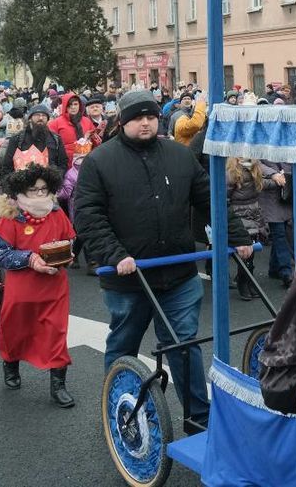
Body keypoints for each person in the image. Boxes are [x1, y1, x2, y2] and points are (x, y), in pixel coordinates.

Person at [74, 89, 253, 425]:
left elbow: (208, 200)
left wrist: (238, 236)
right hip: (128, 278)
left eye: (151, 116)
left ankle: (199, 419)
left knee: (184, 344)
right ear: (123, 121)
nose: (146, 122)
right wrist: (115, 254)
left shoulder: (178, 155)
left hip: (178, 274)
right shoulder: (100, 162)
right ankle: (118, 413)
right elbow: (88, 216)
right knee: (123, 346)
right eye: (138, 118)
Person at [0, 164, 77, 406]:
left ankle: (58, 386)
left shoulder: (57, 213)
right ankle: (10, 365)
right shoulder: (11, 217)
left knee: (56, 333)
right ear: (21, 191)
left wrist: (65, 256)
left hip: (54, 288)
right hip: (22, 291)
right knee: (15, 331)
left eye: (44, 189)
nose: (40, 194)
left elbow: (70, 241)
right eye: (33, 190)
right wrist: (29, 259)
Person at [226, 157, 279, 300]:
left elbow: (262, 184)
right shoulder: (232, 173)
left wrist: (278, 181)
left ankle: (247, 280)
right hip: (239, 215)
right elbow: (225, 196)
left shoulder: (253, 169)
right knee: (246, 252)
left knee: (251, 252)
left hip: (253, 214)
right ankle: (244, 282)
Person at [0, 103, 67, 178]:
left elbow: (63, 164)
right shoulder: (17, 139)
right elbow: (7, 166)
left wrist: (56, 178)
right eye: (37, 115)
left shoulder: (56, 139)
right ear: (30, 118)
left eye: (44, 115)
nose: (41, 118)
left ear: (48, 119)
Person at [48, 92, 99, 167]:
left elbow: (95, 143)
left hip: (86, 162)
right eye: (70, 105)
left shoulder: (87, 121)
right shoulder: (56, 123)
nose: (73, 107)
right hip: (65, 164)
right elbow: (51, 146)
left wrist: (94, 137)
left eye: (75, 104)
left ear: (80, 105)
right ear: (65, 106)